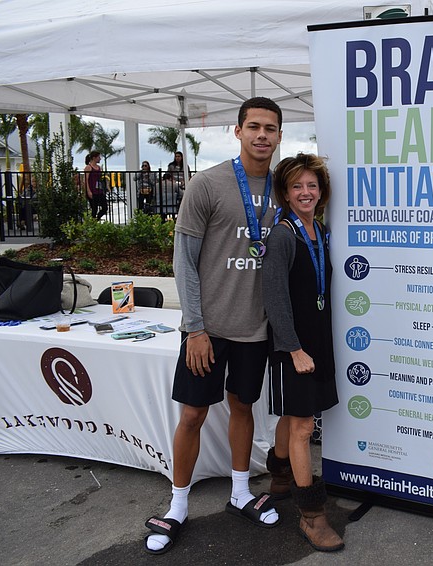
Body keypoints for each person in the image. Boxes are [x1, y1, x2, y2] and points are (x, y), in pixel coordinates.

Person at [143, 97, 284, 555]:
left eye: (271, 128)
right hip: (207, 328)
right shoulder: (207, 184)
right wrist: (196, 328)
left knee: (243, 407)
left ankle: (239, 492)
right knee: (193, 415)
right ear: (237, 131)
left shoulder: (284, 189)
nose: (262, 135)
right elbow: (183, 262)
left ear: (280, 136)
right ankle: (178, 504)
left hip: (254, 328)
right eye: (254, 127)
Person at [261, 153, 343, 552]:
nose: (305, 192)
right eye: (297, 187)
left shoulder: (319, 231)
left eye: (311, 185)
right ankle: (312, 516)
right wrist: (294, 349)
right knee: (303, 427)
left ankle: (278, 475)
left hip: (318, 341)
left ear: (321, 191)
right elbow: (275, 299)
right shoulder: (283, 236)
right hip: (294, 346)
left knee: (294, 418)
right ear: (286, 193)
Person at [84, 151, 106, 220]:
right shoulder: (89, 167)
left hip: (99, 190)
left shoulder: (99, 168)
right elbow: (86, 179)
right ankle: (93, 223)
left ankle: (97, 219)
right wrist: (88, 191)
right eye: (98, 157)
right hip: (92, 190)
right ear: (94, 158)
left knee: (105, 207)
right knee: (94, 208)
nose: (100, 159)